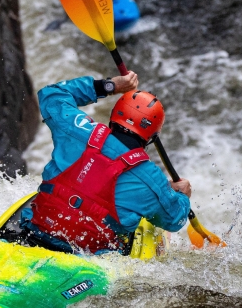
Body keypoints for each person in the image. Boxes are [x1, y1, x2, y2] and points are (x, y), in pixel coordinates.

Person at [19, 72, 192, 255]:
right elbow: (174, 220)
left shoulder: (77, 128)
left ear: (114, 116)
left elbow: (51, 94)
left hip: (35, 231)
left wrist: (109, 86)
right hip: (87, 258)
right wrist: (182, 195)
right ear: (151, 137)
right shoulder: (152, 180)